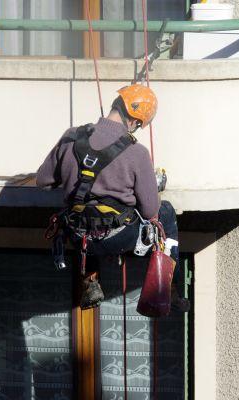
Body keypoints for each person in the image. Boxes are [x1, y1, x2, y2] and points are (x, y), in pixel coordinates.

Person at [36, 84, 189, 312]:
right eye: (138, 125)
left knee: (88, 218)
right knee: (165, 211)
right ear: (135, 121)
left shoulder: (71, 137)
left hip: (79, 238)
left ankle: (91, 281)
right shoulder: (137, 153)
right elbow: (149, 211)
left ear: (116, 106)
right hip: (120, 237)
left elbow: (43, 180)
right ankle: (168, 289)